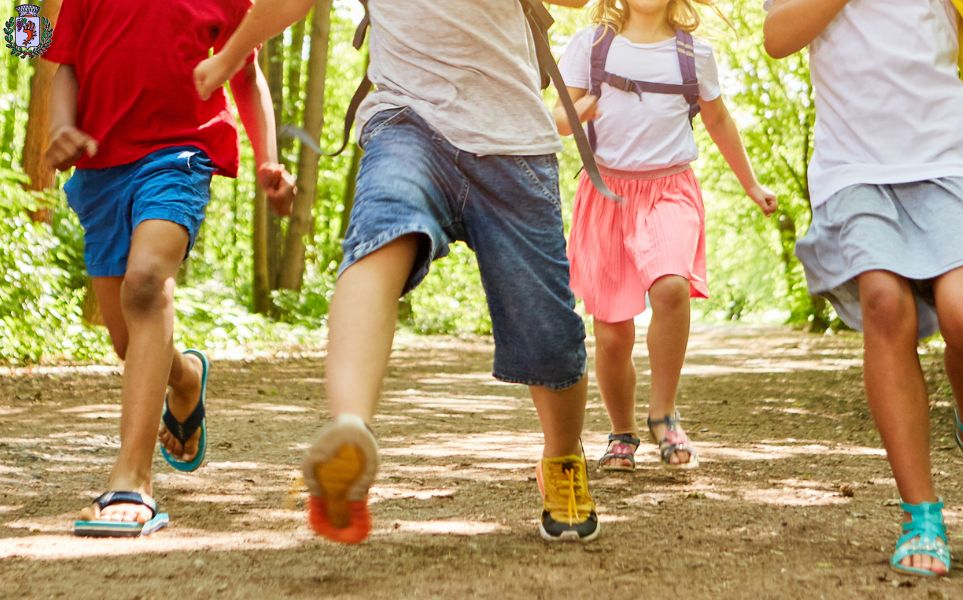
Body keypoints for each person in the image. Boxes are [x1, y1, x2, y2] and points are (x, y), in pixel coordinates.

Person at [194, 0, 601, 544]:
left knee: (547, 332)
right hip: (407, 124)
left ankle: (563, 457)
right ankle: (349, 431)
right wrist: (231, 56)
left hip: (513, 144)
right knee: (382, 233)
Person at [763, 0, 963, 576]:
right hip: (853, 171)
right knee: (883, 304)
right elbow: (777, 36)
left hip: (948, 161)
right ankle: (921, 513)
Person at [43, 0, 295, 536]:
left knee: (145, 286)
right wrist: (60, 126)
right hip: (99, 164)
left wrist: (267, 158)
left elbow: (245, 74)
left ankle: (131, 479)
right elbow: (63, 62)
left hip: (179, 154)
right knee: (126, 341)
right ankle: (185, 377)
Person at [554, 0, 776, 472]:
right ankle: (621, 432)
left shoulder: (693, 55)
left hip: (669, 191)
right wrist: (579, 112)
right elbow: (556, 117)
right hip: (605, 194)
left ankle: (664, 412)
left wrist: (751, 185)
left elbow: (718, 122)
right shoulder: (591, 45)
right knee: (613, 336)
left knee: (671, 286)